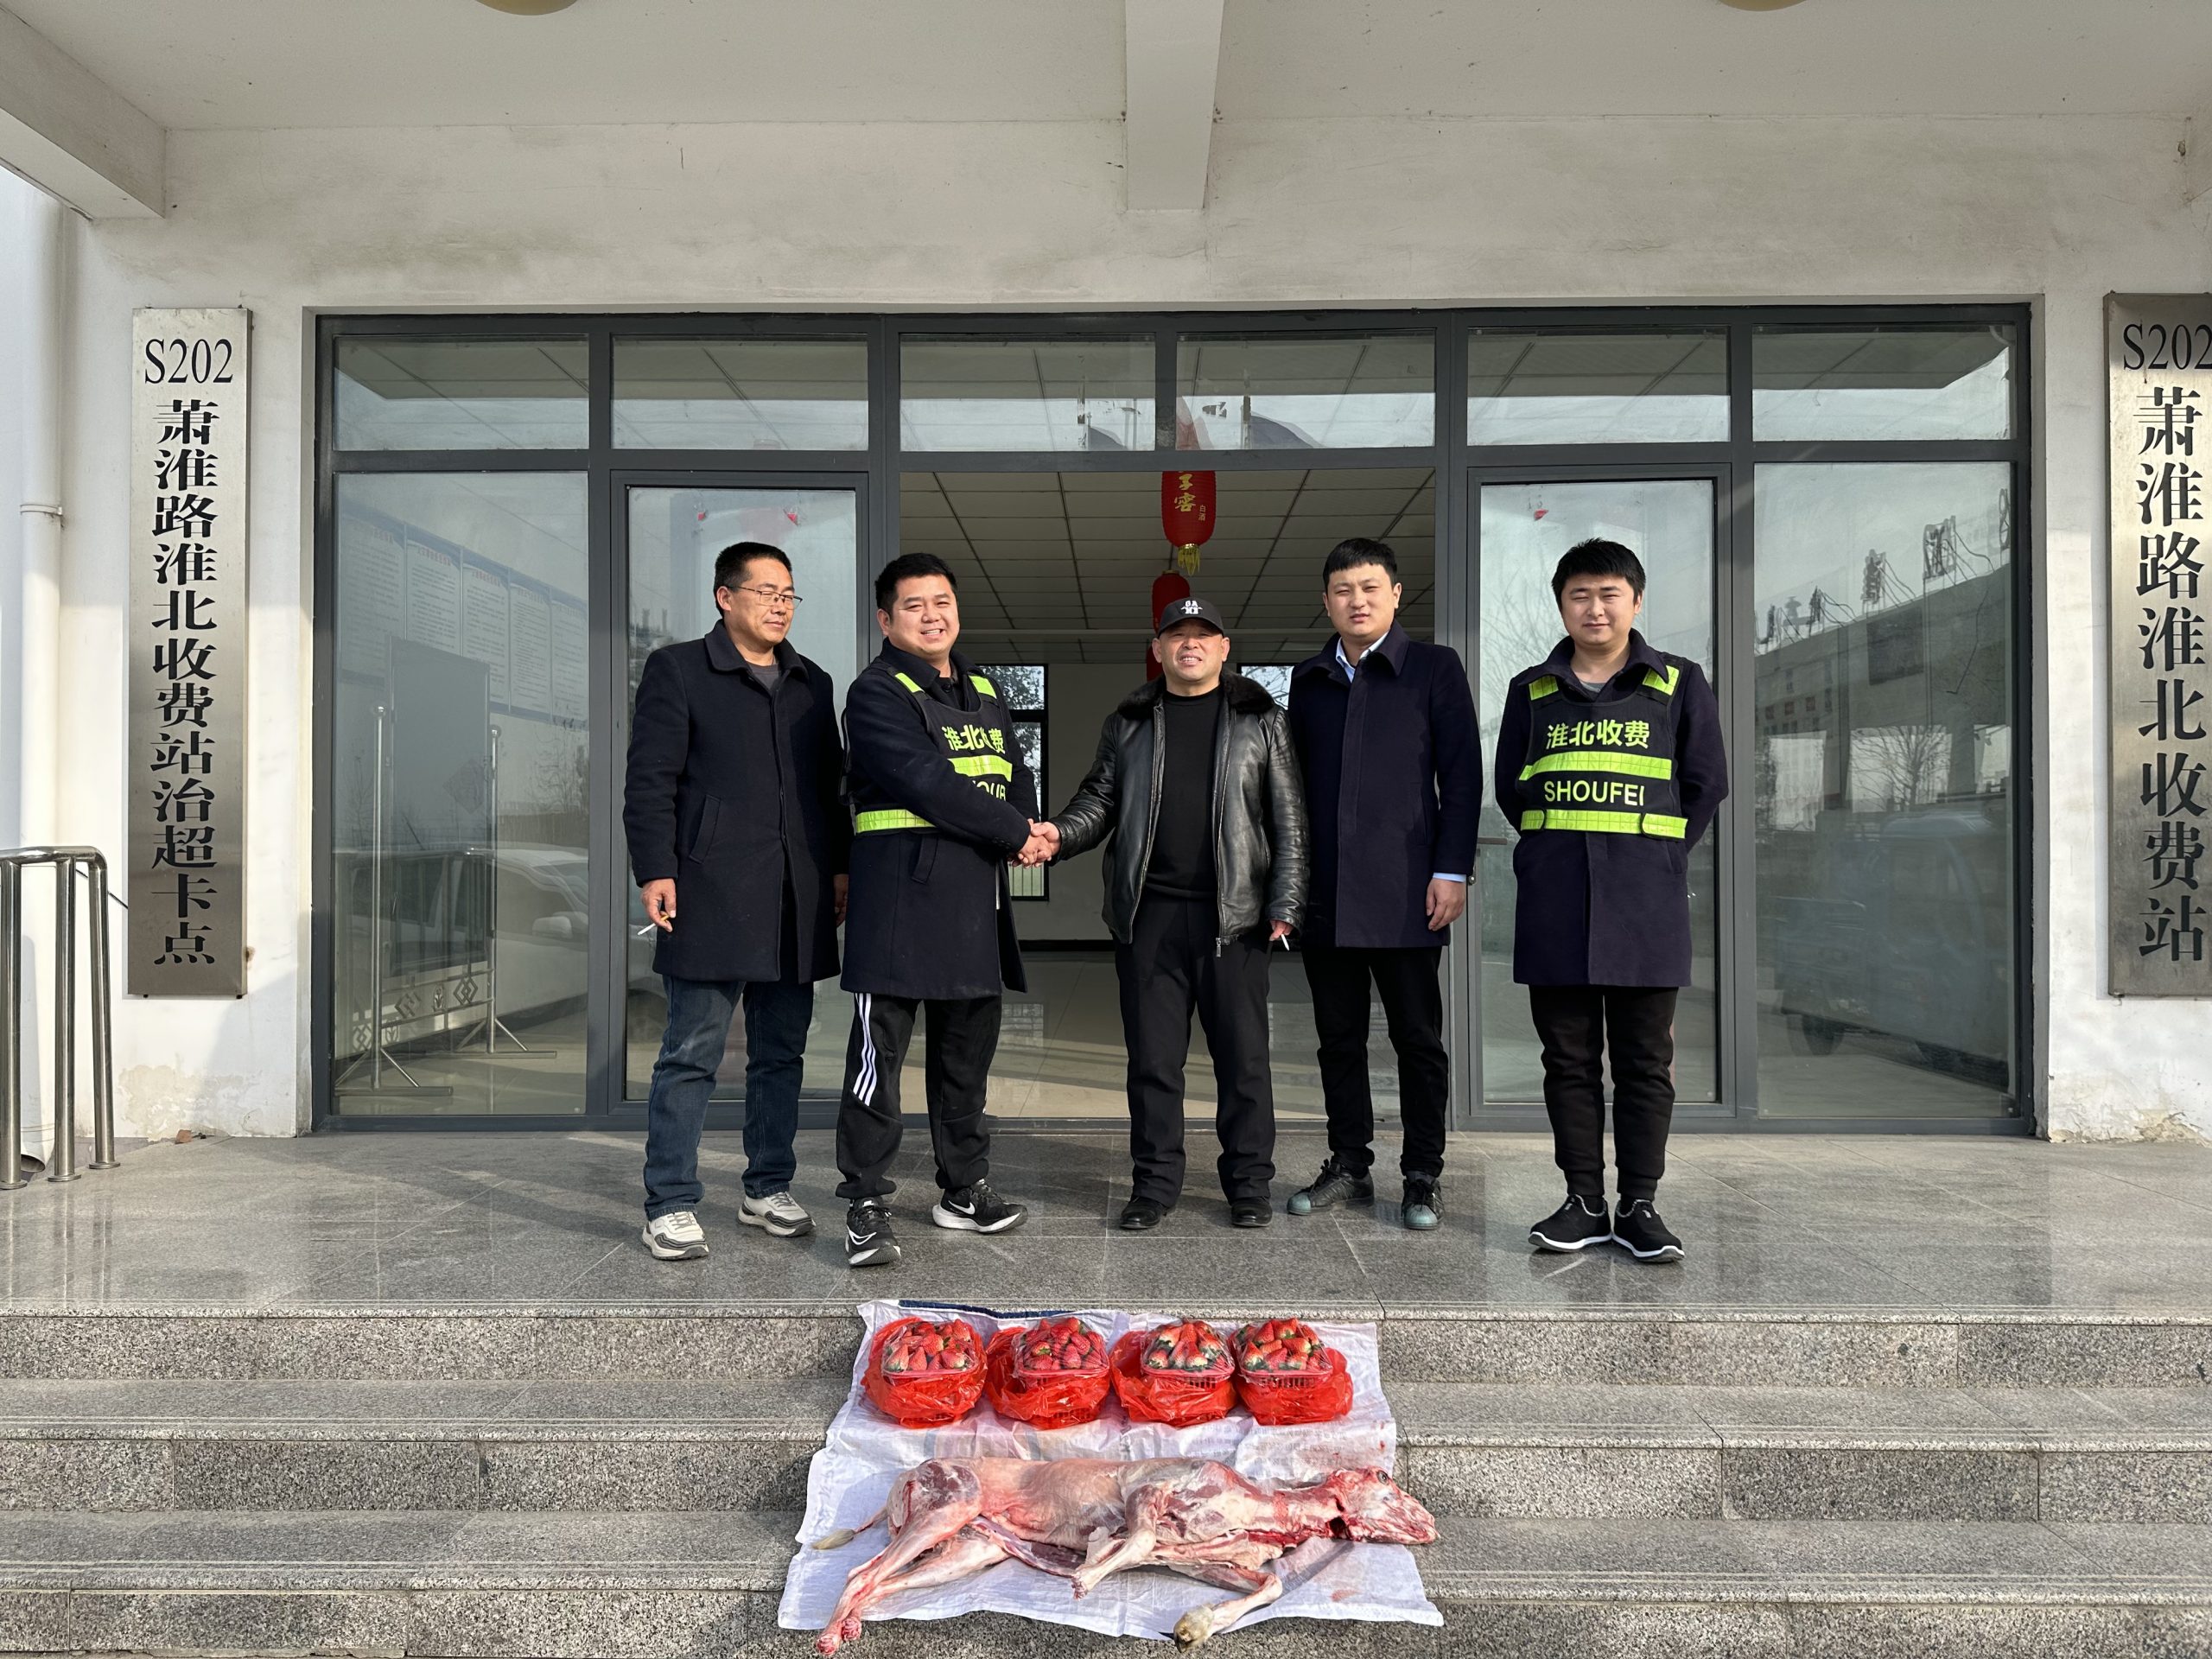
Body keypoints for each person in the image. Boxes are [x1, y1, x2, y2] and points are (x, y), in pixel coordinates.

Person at [1044, 595, 1308, 1232]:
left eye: (1203, 635)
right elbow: (1099, 800)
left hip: (1235, 920)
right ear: (1158, 649)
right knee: (1153, 1063)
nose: (1191, 644)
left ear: (1223, 648)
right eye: (1177, 635)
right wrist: (1057, 835)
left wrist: (1286, 900)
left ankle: (1249, 1185)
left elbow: (1289, 815)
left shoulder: (1261, 719)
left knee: (1244, 1062)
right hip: (1150, 919)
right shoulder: (1129, 722)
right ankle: (1154, 1186)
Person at [1497, 538, 1728, 1263]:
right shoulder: (1531, 690)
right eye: (1580, 596)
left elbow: (1705, 783)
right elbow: (1512, 789)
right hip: (1557, 900)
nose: (1594, 609)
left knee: (1644, 1062)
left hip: (1645, 902)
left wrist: (1659, 856)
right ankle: (1583, 1202)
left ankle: (1640, 1205)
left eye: (1609, 594)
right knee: (1567, 1059)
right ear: (1561, 605)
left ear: (1635, 600)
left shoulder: (1678, 683)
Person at [624, 541, 849, 1261]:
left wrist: (838, 868)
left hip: (794, 894)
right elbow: (650, 780)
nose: (780, 605)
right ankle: (669, 1202)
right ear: (726, 597)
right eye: (766, 592)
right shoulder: (679, 670)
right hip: (710, 888)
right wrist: (655, 869)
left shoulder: (811, 681)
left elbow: (829, 789)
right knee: (691, 1052)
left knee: (781, 1053)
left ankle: (767, 1186)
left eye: (789, 594)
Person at [836, 552, 1052, 1268]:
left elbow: (1014, 772)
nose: (932, 616)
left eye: (942, 603)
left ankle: (964, 1188)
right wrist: (1015, 831)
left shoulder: (984, 687)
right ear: (886, 619)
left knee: (967, 1062)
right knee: (878, 1065)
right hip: (899, 906)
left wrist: (1030, 825)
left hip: (973, 905)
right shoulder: (876, 692)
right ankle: (865, 1202)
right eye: (914, 605)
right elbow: (927, 781)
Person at [1283, 538, 1480, 1232]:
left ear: (1396, 594)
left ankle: (1423, 1172)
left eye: (1370, 587)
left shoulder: (1433, 668)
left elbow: (1462, 776)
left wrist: (1451, 870)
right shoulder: (1309, 679)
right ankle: (1349, 1163)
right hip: (1328, 894)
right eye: (1343, 590)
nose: (1357, 600)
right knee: (1338, 1039)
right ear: (1327, 602)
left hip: (1407, 892)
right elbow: (1291, 789)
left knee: (1417, 1039)